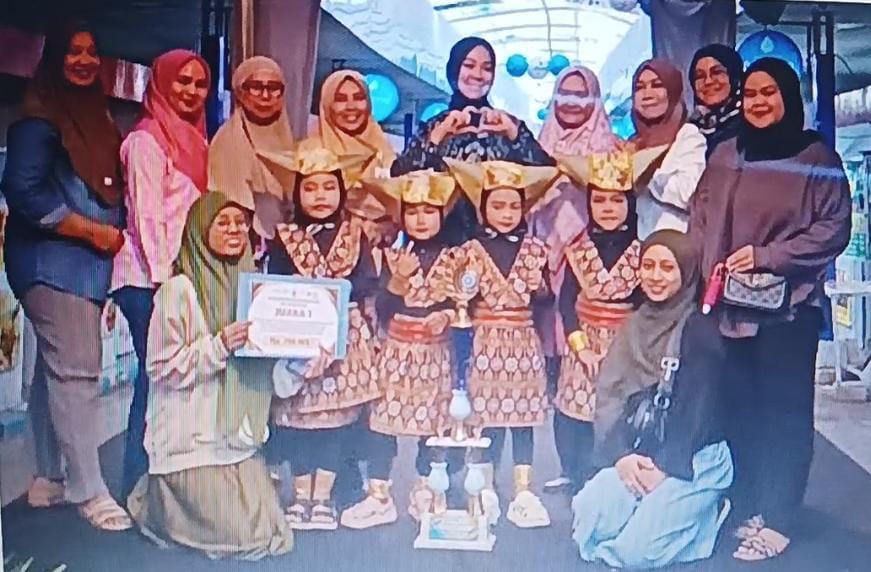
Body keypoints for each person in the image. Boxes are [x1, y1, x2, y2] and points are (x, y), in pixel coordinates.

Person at [689, 58, 852, 561]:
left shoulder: (815, 156)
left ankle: (780, 516)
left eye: (769, 93)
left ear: (788, 97)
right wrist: (705, 272)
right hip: (728, 309)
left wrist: (768, 257)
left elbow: (833, 228)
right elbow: (700, 215)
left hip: (788, 311)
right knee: (738, 409)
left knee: (784, 414)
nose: (758, 102)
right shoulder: (726, 153)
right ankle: (751, 503)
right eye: (751, 94)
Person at [1, 23, 129, 531]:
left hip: (80, 268)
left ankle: (49, 477)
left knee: (54, 372)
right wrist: (92, 232)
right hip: (53, 264)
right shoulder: (39, 120)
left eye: (92, 51)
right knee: (77, 373)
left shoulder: (93, 117)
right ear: (53, 59)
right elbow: (24, 192)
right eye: (73, 52)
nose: (84, 60)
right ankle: (89, 490)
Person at [128, 192, 292, 559]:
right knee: (241, 539)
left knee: (272, 534)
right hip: (192, 440)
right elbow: (160, 366)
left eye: (241, 223)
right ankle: (151, 504)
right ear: (200, 231)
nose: (235, 230)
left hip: (235, 439)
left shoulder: (255, 289)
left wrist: (303, 358)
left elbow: (268, 373)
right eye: (223, 222)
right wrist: (218, 347)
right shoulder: (178, 291)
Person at [571, 230, 733, 569]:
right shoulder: (634, 324)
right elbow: (610, 395)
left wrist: (665, 468)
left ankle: (706, 516)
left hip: (690, 457)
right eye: (648, 266)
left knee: (634, 554)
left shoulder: (700, 330)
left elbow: (700, 411)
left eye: (667, 268)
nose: (655, 276)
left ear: (686, 272)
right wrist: (622, 457)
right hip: (641, 448)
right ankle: (656, 513)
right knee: (589, 520)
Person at [260, 145, 381, 531]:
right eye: (310, 188)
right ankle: (300, 497)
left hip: (345, 336)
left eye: (329, 187)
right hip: (300, 336)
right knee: (298, 420)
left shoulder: (355, 232)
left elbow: (368, 280)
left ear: (342, 191)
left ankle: (324, 497)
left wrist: (337, 295)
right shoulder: (284, 237)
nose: (320, 196)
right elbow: (274, 285)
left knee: (336, 421)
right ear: (296, 193)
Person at [111, 48, 211, 499]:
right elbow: (146, 218)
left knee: (172, 384)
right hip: (148, 281)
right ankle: (138, 486)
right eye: (182, 81)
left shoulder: (195, 140)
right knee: (158, 382)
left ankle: (165, 489)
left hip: (179, 281)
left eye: (200, 83)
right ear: (161, 83)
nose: (191, 91)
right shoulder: (146, 141)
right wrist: (164, 284)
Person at [446, 159, 558, 528]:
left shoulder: (536, 250)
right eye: (497, 205)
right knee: (487, 419)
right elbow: (459, 300)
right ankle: (486, 485)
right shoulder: (469, 250)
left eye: (513, 205)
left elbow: (545, 301)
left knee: (523, 421)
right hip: (485, 343)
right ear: (483, 208)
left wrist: (542, 290)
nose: (506, 213)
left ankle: (523, 490)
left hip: (523, 343)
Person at [532, 65, 622, 491]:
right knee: (558, 369)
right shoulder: (538, 147)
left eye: (581, 95)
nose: (571, 103)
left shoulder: (611, 150)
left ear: (596, 100)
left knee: (597, 368)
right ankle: (571, 466)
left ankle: (606, 468)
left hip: (593, 264)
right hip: (541, 266)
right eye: (564, 94)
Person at [365, 171, 463, 522]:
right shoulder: (390, 256)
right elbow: (381, 308)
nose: (421, 220)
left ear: (442, 214)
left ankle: (427, 486)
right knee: (383, 422)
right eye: (413, 211)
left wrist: (447, 315)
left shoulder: (457, 257)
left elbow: (467, 302)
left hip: (437, 351)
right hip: (397, 349)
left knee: (436, 423)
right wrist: (398, 279)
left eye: (429, 211)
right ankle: (379, 494)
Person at [392, 36, 553, 245]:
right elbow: (400, 176)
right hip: (442, 244)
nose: (478, 75)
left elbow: (545, 174)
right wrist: (437, 137)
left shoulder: (508, 125)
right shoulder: (435, 126)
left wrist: (513, 134)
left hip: (500, 245)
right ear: (454, 70)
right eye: (469, 65)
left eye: (487, 68)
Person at [553, 150, 641, 494]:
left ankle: (611, 477)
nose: (608, 208)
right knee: (574, 410)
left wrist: (627, 348)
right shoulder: (578, 247)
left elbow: (644, 306)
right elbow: (566, 303)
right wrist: (581, 347)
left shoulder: (642, 251)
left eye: (617, 200)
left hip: (625, 342)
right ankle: (574, 474)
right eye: (600, 200)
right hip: (585, 341)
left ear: (629, 203)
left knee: (617, 410)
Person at [209, 55, 295, 242]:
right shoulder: (226, 143)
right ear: (240, 93)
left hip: (293, 243)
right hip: (243, 241)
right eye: (256, 87)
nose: (265, 96)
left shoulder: (294, 137)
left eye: (273, 88)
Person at [629, 58, 706, 240]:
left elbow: (687, 195)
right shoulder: (634, 142)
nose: (647, 94)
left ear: (673, 91)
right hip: (639, 246)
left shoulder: (687, 136)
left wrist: (645, 171)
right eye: (639, 88)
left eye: (657, 85)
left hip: (675, 246)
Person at [689, 44, 744, 157]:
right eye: (700, 76)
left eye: (717, 72)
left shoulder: (749, 126)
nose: (708, 81)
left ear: (734, 77)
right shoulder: (688, 131)